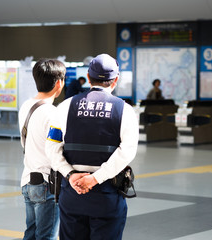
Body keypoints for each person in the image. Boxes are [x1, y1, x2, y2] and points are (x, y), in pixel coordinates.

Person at [45, 53, 139, 240]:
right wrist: (95, 179)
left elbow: (51, 146)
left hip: (72, 194)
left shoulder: (65, 107)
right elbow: (127, 151)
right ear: (116, 80)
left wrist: (70, 175)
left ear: (88, 77)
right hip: (107, 196)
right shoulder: (125, 111)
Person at [18, 59, 67, 240]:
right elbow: (56, 151)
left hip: (28, 180)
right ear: (58, 83)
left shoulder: (25, 106)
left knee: (30, 233)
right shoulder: (53, 113)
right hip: (46, 184)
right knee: (47, 236)